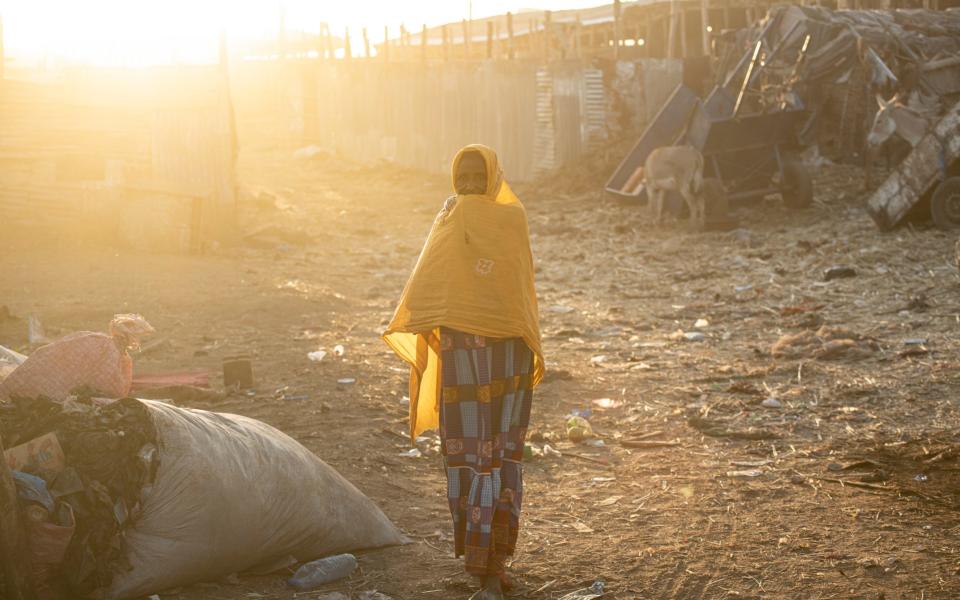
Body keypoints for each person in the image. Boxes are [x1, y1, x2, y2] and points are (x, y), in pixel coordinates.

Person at [383, 145, 544, 599]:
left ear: (493, 177)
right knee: (471, 457)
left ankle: (495, 560)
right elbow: (428, 283)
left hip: (507, 357)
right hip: (462, 359)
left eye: (478, 176)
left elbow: (519, 290)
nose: (470, 185)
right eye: (463, 177)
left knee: (501, 455)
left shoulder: (512, 220)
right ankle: (481, 561)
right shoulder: (449, 218)